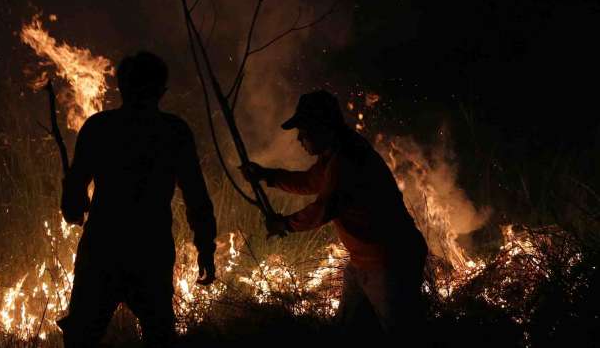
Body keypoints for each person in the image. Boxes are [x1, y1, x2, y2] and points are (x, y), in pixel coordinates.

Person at [241, 90, 428, 344]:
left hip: (389, 263)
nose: (299, 139)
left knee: (403, 336)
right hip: (365, 262)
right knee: (348, 333)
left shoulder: (347, 159)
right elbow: (309, 181)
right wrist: (268, 176)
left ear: (323, 126)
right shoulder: (336, 153)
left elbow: (323, 210)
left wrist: (284, 223)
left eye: (304, 131)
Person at [58, 51, 217, 347]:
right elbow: (196, 195)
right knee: (158, 333)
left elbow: (74, 194)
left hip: (103, 247)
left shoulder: (99, 127)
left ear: (122, 87)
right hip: (151, 249)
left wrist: (74, 208)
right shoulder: (174, 131)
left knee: (82, 334)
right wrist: (205, 246)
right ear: (161, 91)